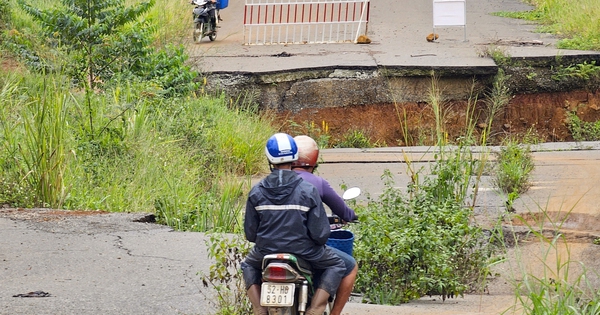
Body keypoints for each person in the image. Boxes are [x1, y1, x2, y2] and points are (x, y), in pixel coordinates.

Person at [241, 133, 346, 315]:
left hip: (265, 251)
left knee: (247, 265)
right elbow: (320, 235)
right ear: (295, 157)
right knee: (337, 264)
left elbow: (250, 234)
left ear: (269, 159)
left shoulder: (256, 191)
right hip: (305, 251)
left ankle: (259, 309)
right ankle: (315, 308)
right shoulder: (308, 190)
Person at [292, 135, 358, 315]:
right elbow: (342, 211)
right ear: (314, 160)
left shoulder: (272, 183)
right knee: (349, 266)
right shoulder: (317, 183)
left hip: (270, 247)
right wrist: (351, 215)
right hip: (306, 248)